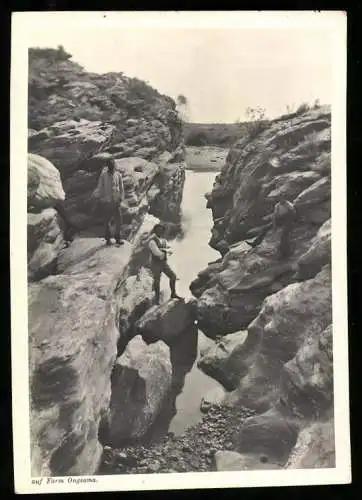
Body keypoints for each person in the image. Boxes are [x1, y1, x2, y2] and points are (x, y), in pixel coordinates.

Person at [93, 158, 125, 246]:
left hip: (116, 202)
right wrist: (96, 196)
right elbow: (100, 187)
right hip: (107, 202)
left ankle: (118, 238)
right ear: (108, 165)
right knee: (107, 222)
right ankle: (108, 239)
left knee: (119, 221)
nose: (112, 166)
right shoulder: (103, 175)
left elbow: (122, 188)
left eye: (113, 164)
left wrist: (121, 198)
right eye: (110, 164)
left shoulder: (118, 175)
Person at [148, 224, 181, 304]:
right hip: (155, 264)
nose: (160, 231)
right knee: (157, 281)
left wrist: (164, 250)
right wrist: (165, 250)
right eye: (158, 230)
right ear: (155, 231)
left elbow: (170, 249)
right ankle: (157, 299)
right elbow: (156, 253)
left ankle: (173, 293)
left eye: (161, 230)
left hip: (163, 263)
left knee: (173, 276)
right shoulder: (152, 241)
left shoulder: (163, 240)